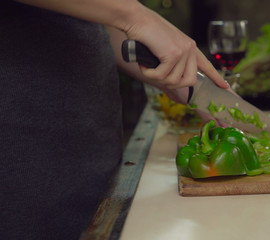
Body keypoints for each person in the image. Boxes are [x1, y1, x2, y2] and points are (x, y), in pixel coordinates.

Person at [0, 1, 228, 239]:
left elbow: (92, 24)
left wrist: (175, 76)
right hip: (23, 146)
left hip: (88, 147)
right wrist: (135, 15)